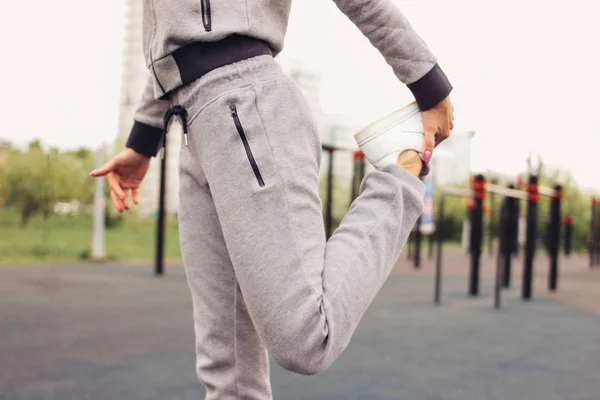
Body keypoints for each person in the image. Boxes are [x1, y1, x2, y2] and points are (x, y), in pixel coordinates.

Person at [91, 1, 454, 398]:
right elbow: (175, 35)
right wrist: (143, 140)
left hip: (245, 106)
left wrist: (428, 83)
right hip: (194, 121)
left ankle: (400, 173)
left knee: (307, 339)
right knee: (226, 372)